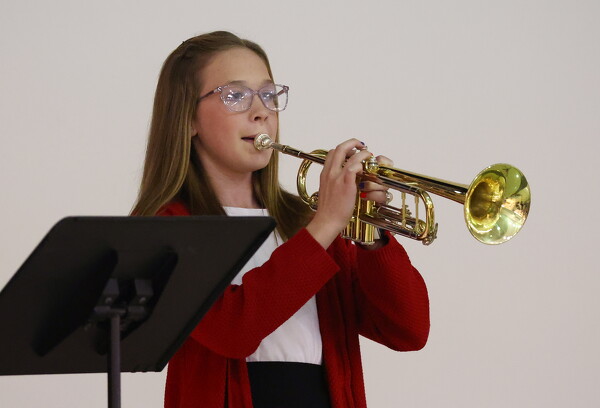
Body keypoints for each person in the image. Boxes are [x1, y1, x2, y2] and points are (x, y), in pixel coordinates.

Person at [132, 30, 430, 408]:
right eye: (235, 96)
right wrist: (326, 224)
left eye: (269, 95)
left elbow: (408, 331)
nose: (261, 111)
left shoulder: (306, 222)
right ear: (188, 117)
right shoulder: (165, 225)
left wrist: (371, 236)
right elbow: (234, 330)